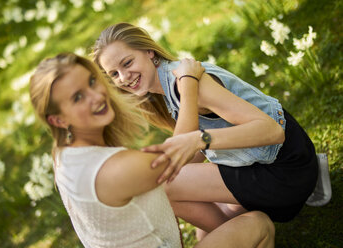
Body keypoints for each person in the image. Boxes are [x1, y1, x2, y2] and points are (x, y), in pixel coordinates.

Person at [92, 22, 330, 235]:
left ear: (148, 52)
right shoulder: (168, 88)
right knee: (201, 230)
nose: (124, 77)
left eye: (127, 63)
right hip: (260, 166)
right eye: (114, 74)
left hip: (285, 170)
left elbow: (271, 131)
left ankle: (242, 236)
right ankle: (237, 236)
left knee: (161, 186)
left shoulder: (187, 82)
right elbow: (188, 145)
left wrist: (199, 139)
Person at [29, 52, 275, 248]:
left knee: (218, 223)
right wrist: (187, 84)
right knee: (258, 224)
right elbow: (182, 150)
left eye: (92, 81)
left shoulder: (64, 156)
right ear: (58, 120)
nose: (97, 96)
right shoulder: (115, 169)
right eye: (78, 97)